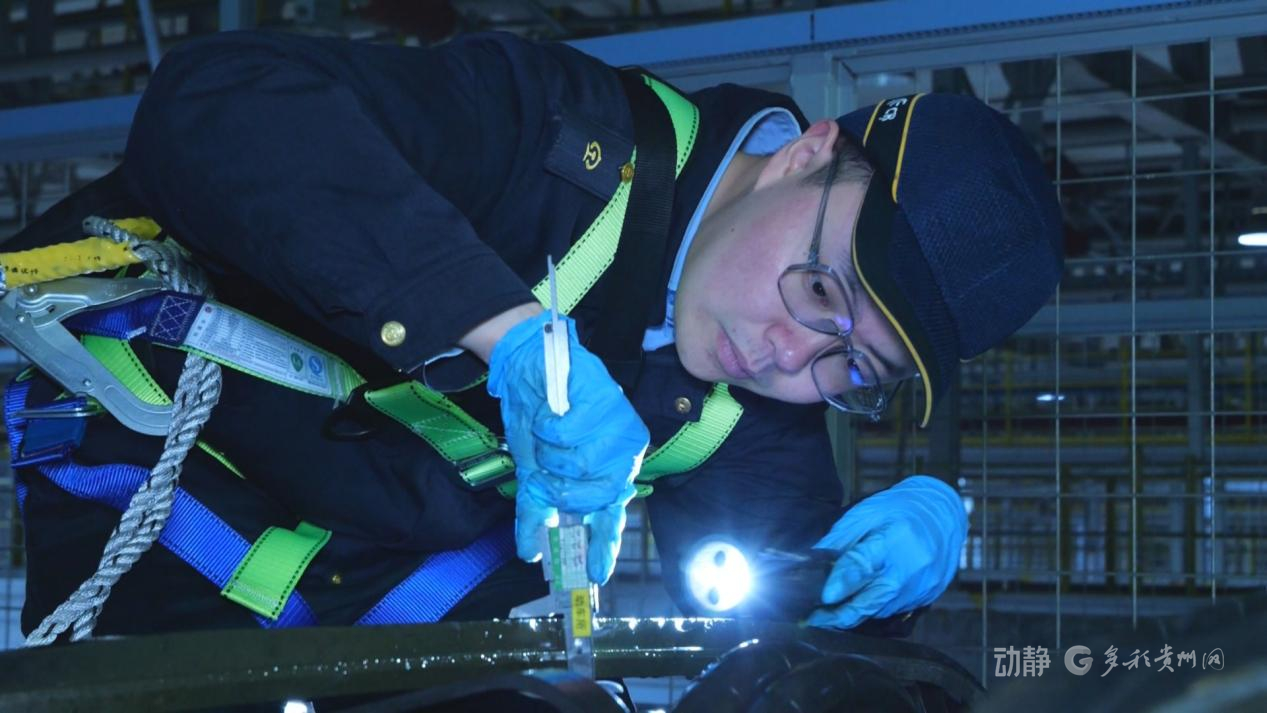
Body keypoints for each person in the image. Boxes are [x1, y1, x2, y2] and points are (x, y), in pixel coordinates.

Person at [6, 27, 1062, 639]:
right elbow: (221, 105)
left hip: (338, 625)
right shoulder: (555, 135)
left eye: (853, 365)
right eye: (822, 289)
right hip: (141, 482)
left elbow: (789, 610)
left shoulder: (742, 412)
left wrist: (875, 580)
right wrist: (502, 329)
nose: (794, 355)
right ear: (805, 153)